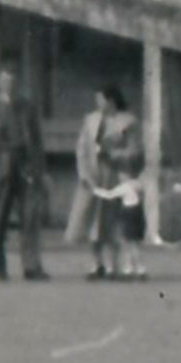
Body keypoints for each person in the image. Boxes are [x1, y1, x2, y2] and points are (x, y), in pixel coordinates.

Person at [0, 57, 48, 281]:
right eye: (6, 81)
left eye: (14, 82)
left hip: (25, 165)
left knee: (30, 218)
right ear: (0, 83)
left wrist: (39, 169)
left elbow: (37, 141)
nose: (10, 86)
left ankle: (31, 266)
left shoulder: (28, 107)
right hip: (1, 166)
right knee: (0, 219)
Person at [92, 86, 147, 281]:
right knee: (99, 222)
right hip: (99, 175)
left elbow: (136, 151)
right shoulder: (95, 121)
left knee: (121, 223)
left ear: (111, 101)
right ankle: (102, 264)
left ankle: (126, 266)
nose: (98, 104)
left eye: (101, 100)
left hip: (121, 175)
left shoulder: (128, 122)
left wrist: (112, 155)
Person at [69, 86, 111, 268]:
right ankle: (97, 261)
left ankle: (114, 263)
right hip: (93, 177)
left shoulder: (122, 121)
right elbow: (82, 148)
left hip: (112, 176)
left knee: (111, 222)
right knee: (93, 222)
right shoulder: (90, 120)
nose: (101, 104)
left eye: (104, 100)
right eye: (98, 100)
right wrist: (84, 173)